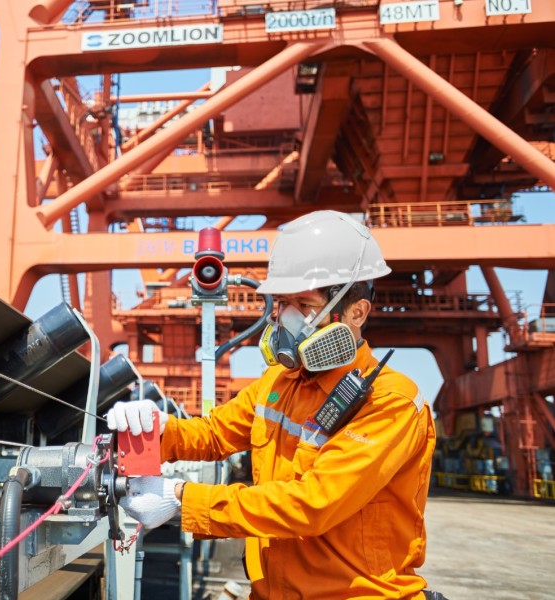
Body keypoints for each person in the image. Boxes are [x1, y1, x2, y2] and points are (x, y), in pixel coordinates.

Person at [107, 211, 438, 599]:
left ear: (357, 311)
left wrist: (181, 497)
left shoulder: (390, 402)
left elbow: (311, 505)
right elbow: (214, 434)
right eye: (281, 302)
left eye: (303, 303)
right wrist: (157, 429)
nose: (286, 317)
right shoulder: (278, 382)